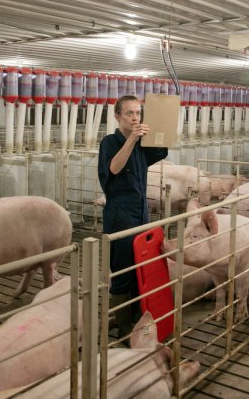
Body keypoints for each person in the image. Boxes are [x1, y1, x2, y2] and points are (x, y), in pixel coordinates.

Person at [97, 95, 168, 343]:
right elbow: (114, 168)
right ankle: (124, 331)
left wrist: (162, 121)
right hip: (120, 217)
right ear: (117, 116)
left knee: (142, 271)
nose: (135, 117)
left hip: (141, 215)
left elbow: (162, 148)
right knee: (123, 273)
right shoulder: (109, 142)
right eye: (129, 113)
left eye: (138, 113)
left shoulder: (141, 144)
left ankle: (140, 321)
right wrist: (132, 140)